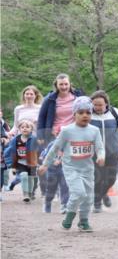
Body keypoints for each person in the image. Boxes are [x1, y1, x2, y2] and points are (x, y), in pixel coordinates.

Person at [38, 97, 104, 231]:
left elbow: (100, 147)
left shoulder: (94, 131)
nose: (85, 115)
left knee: (89, 197)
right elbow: (55, 148)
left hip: (87, 169)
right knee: (79, 193)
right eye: (81, 112)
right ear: (74, 115)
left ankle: (83, 221)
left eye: (88, 112)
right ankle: (69, 215)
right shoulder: (67, 131)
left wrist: (101, 156)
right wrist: (45, 164)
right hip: (71, 168)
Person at [36, 74, 83, 205]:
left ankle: (69, 193)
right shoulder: (50, 99)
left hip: (74, 134)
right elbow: (41, 117)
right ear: (56, 85)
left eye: (66, 84)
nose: (63, 87)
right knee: (54, 164)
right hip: (55, 135)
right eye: (61, 84)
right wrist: (40, 135)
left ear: (70, 84)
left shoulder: (78, 97)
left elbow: (86, 112)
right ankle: (55, 189)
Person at [89, 91, 118, 212]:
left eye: (100, 105)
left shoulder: (115, 113)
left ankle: (104, 193)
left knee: (111, 178)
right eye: (95, 105)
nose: (97, 107)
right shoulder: (88, 114)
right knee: (97, 177)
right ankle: (97, 203)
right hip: (94, 153)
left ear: (106, 104)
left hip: (112, 151)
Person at [3, 119, 40, 202]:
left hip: (32, 163)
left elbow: (40, 151)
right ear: (19, 129)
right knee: (23, 175)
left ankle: (30, 193)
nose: (25, 129)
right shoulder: (15, 140)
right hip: (20, 163)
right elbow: (8, 152)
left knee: (31, 178)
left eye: (27, 127)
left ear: (31, 129)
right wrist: (12, 165)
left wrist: (40, 162)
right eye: (22, 127)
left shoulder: (34, 139)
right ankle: (25, 194)